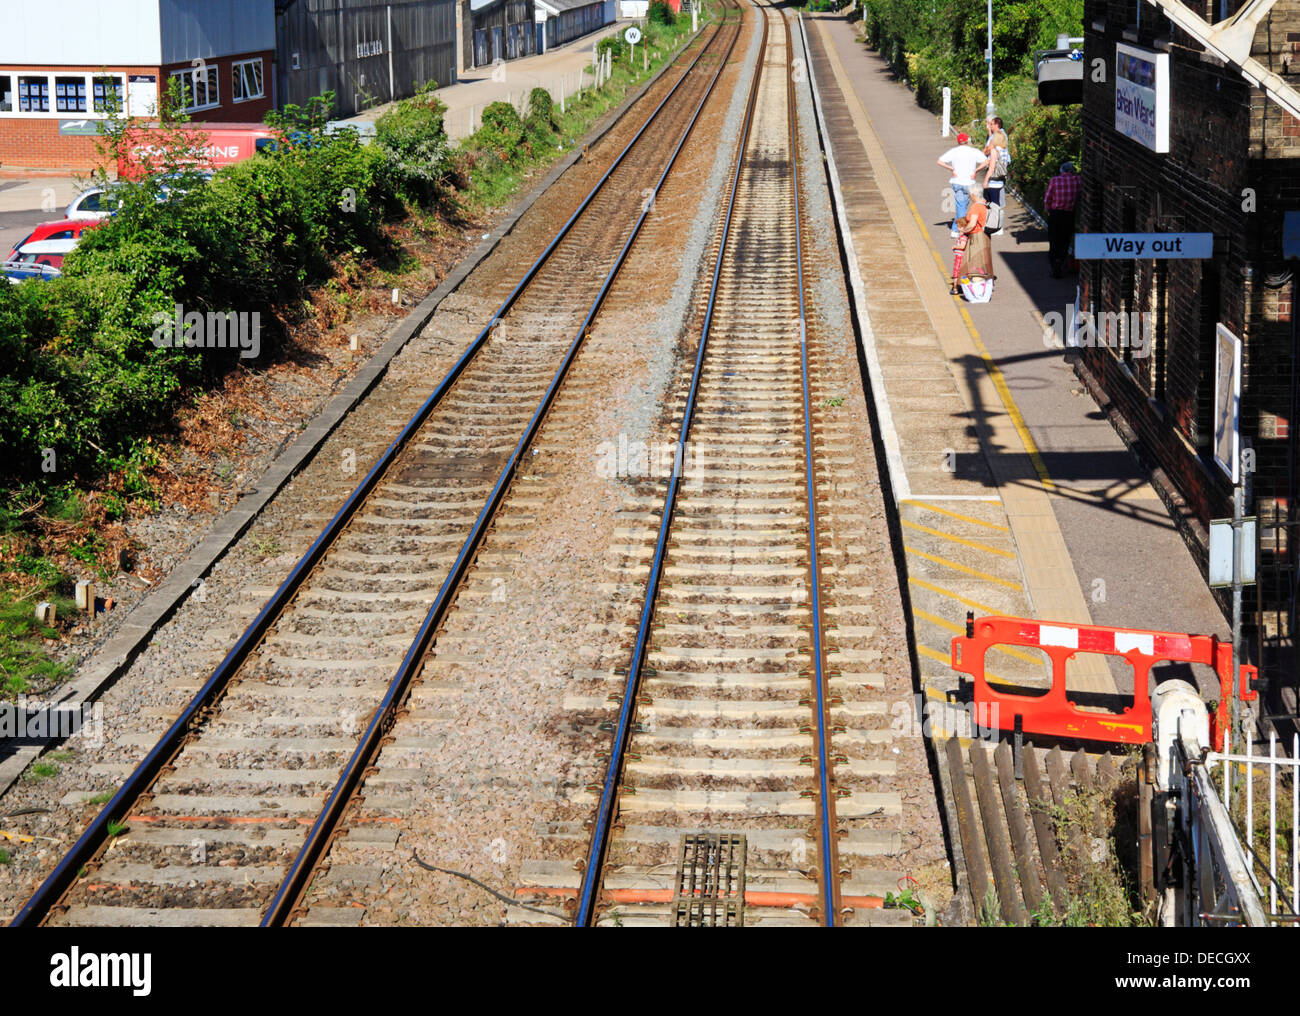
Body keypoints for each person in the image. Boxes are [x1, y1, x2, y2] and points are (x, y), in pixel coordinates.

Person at [937, 132, 989, 237]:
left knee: (961, 206)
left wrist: (951, 168)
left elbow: (940, 161)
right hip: (969, 183)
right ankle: (957, 230)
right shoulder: (973, 151)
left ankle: (957, 228)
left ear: (958, 141)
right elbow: (987, 161)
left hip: (957, 181)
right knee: (963, 206)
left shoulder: (954, 151)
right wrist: (976, 170)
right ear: (967, 141)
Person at [1043, 161, 1080, 278]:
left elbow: (1047, 199)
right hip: (1069, 215)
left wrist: (1049, 211)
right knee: (1065, 240)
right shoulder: (1078, 181)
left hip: (1055, 214)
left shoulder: (1055, 180)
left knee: (1054, 240)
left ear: (1062, 171)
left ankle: (1054, 265)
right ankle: (1060, 261)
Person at [958, 187, 995, 301]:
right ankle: (985, 285)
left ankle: (977, 288)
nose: (970, 196)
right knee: (984, 260)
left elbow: (972, 223)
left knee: (975, 261)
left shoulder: (976, 207)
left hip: (977, 237)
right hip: (985, 236)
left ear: (973, 194)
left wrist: (963, 231)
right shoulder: (985, 204)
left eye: (970, 194)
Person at [981, 116, 1009, 231]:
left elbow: (991, 166)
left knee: (993, 204)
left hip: (993, 180)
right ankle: (996, 225)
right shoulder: (1003, 150)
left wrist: (985, 180)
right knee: (996, 202)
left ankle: (996, 226)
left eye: (991, 124)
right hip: (1000, 179)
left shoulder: (995, 150)